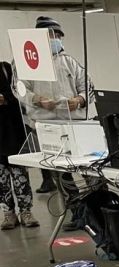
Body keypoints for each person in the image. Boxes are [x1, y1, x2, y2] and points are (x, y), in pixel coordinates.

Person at [20, 16, 92, 218]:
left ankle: (96, 207)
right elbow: (19, 89)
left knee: (89, 169)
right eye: (51, 35)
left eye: (58, 35)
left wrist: (79, 99)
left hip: (75, 124)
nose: (55, 39)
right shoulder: (28, 65)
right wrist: (37, 99)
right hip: (46, 125)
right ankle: (77, 212)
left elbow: (87, 87)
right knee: (61, 173)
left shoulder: (70, 62)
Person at [0, 61, 38, 229]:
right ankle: (8, 213)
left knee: (19, 174)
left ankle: (26, 211)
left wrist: (6, 98)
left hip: (13, 131)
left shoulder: (6, 68)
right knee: (1, 179)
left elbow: (19, 93)